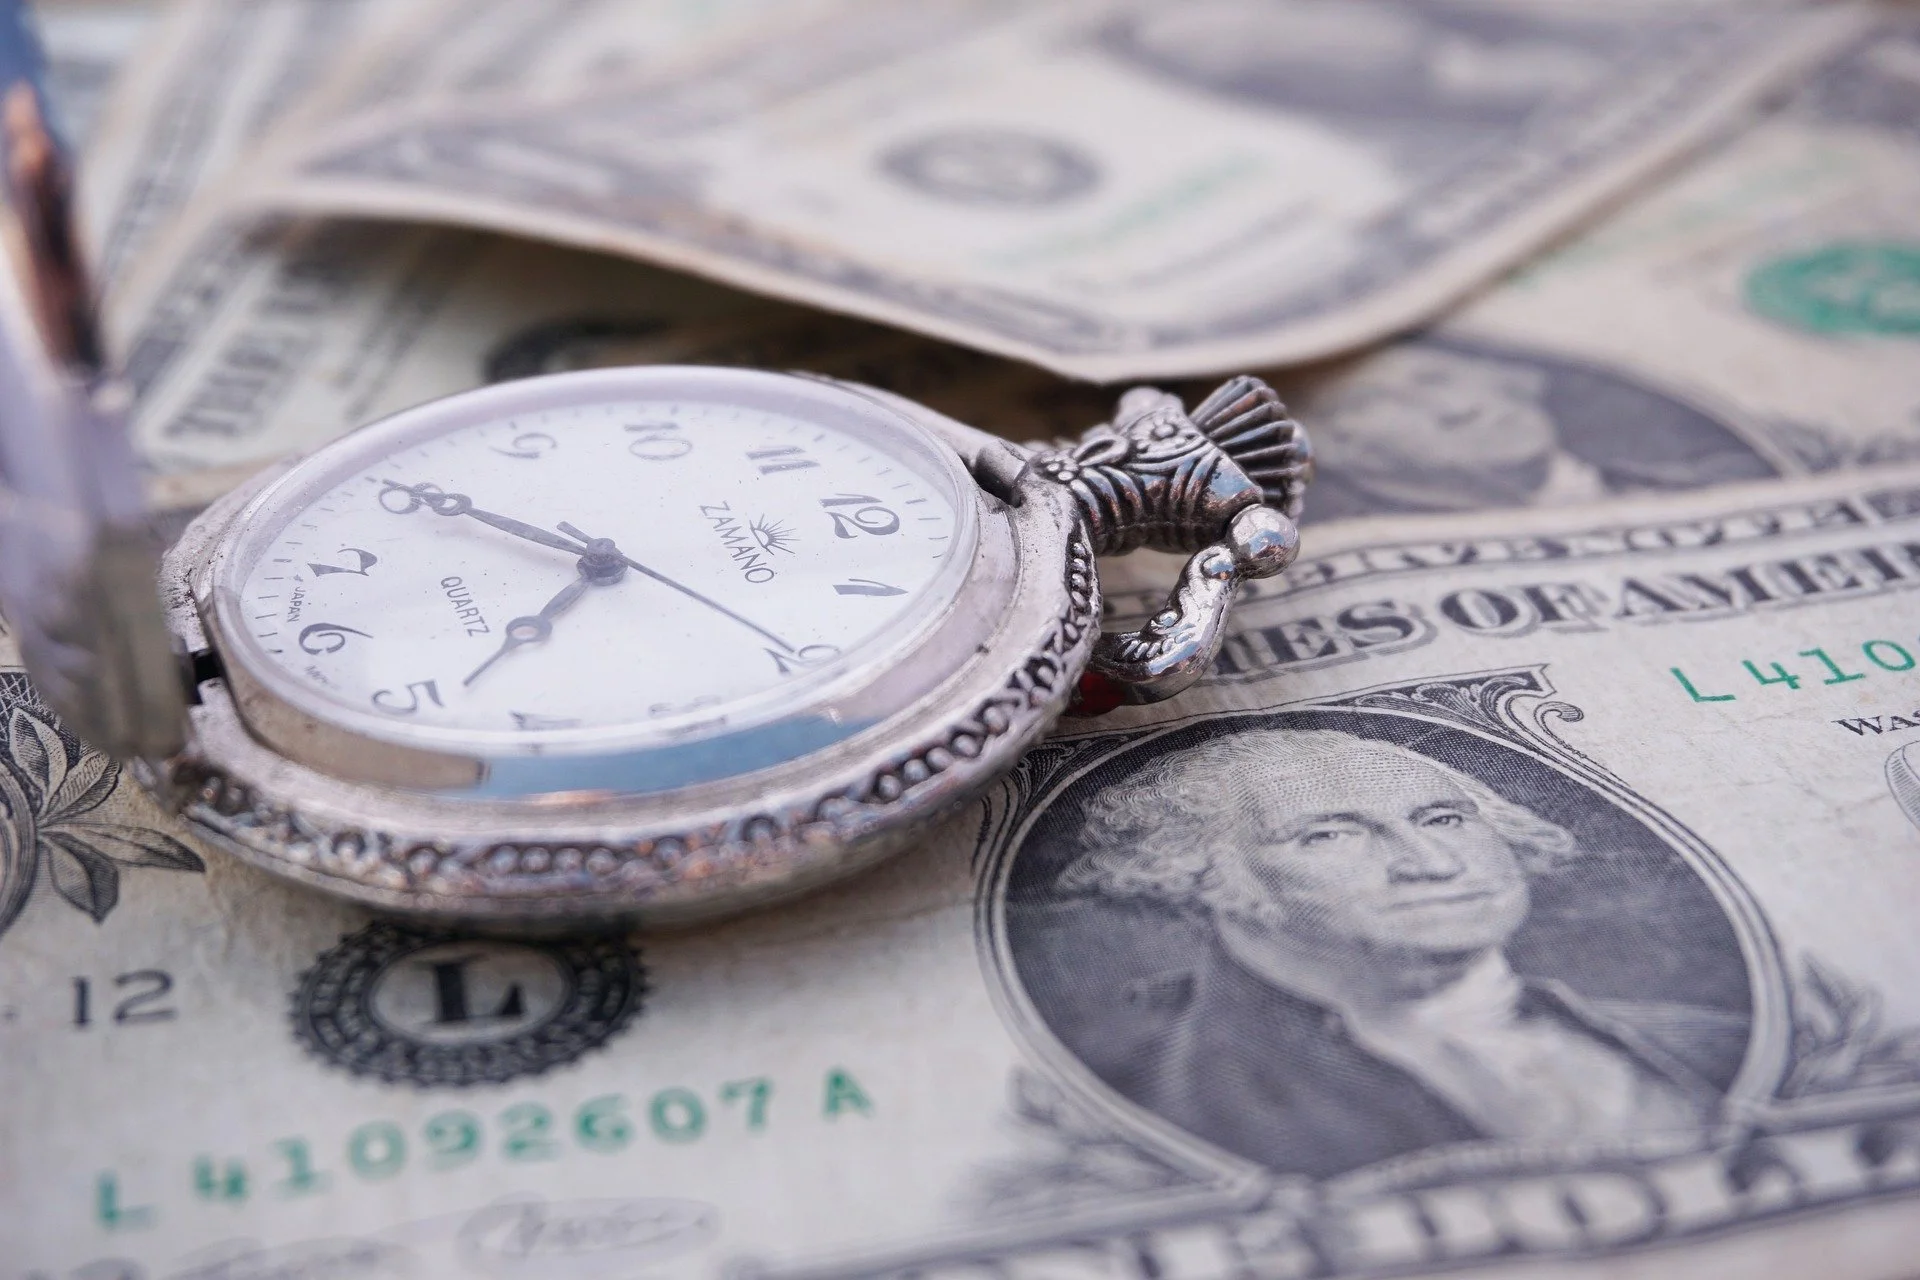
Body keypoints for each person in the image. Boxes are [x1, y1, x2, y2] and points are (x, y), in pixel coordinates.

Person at [1061, 728, 1748, 1178]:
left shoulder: (1710, 1044)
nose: (1430, 863)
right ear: (1197, 876)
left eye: (1444, 819)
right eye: (1328, 836)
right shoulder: (1148, 1105)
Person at [1296, 343, 1779, 521]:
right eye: (1380, 404)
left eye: (1438, 380)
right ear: (1338, 445)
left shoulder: (1730, 471)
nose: (1457, 408)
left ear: (1510, 380)